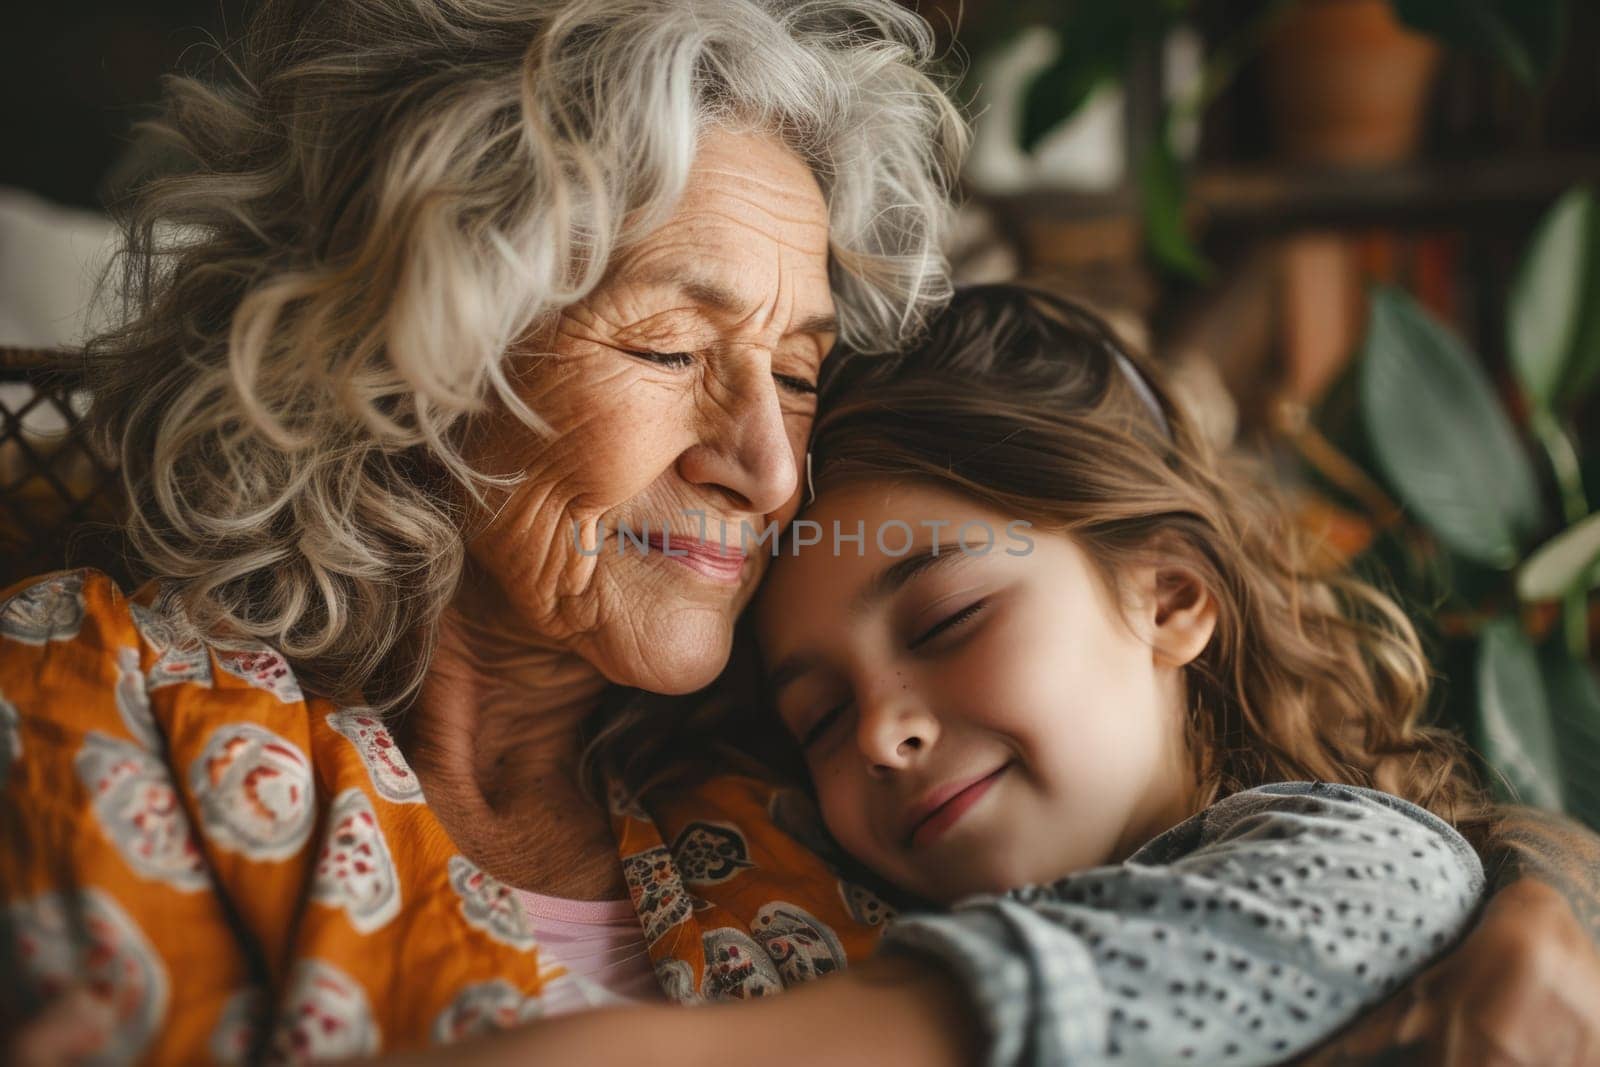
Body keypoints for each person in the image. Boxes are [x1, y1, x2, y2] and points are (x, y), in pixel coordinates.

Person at [3, 2, 1599, 1065]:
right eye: (667, 350)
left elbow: (1277, 845)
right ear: (398, 355)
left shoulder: (806, 767)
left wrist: (1537, 886)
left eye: (794, 370)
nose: (770, 465)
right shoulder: (102, 693)